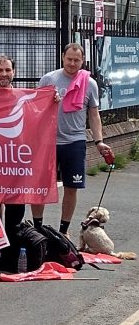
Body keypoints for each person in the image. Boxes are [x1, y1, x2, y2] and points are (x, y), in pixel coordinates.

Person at [30, 43, 114, 235]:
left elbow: (94, 114)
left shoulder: (89, 83)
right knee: (40, 187)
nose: (72, 63)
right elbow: (34, 108)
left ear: (82, 61)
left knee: (71, 188)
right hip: (47, 142)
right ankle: (37, 229)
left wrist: (99, 141)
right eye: (69, 59)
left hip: (75, 142)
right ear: (62, 57)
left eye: (77, 60)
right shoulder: (49, 79)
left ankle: (63, 230)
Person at [0, 56, 32, 272]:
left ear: (14, 71)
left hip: (16, 160)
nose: (4, 74)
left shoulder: (23, 97)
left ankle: (11, 253)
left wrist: (54, 100)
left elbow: (39, 117)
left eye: (7, 70)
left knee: (15, 211)